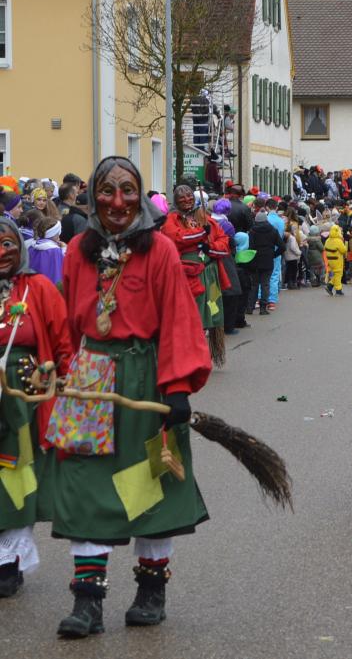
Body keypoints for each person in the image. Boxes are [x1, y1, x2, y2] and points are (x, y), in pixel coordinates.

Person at [52, 156, 210, 637]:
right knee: (85, 484)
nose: (116, 201)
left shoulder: (159, 250)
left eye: (127, 191)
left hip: (145, 376)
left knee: (149, 485)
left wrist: (178, 387)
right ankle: (87, 602)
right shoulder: (78, 249)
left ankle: (150, 592)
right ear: (91, 196)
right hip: (90, 378)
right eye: (106, 190)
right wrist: (60, 371)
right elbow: (63, 317)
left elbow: (180, 318)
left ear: (140, 196)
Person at [0, 216, 73, 599]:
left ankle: (7, 561)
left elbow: (62, 342)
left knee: (16, 474)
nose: (1, 253)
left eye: (8, 244)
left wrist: (65, 382)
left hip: (24, 403)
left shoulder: (38, 289)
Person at [161, 186, 231, 365]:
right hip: (188, 275)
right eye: (182, 198)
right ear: (176, 201)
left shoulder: (205, 218)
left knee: (212, 312)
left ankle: (206, 352)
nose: (186, 200)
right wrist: (200, 234)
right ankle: (189, 354)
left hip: (210, 274)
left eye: (189, 197)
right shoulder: (171, 219)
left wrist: (211, 248)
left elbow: (224, 242)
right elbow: (176, 238)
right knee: (192, 316)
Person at [246, 209, 281, 316]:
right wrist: (273, 254)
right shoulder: (273, 231)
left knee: (254, 284)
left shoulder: (252, 231)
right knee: (265, 284)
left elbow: (250, 247)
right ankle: (263, 308)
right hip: (267, 261)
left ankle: (250, 307)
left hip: (255, 260)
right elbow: (282, 246)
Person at [28, 216, 65, 285]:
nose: (59, 236)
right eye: (58, 233)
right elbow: (58, 275)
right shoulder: (55, 251)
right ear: (54, 233)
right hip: (49, 289)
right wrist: (64, 249)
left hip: (33, 287)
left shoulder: (32, 247)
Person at [323, 224, 346, 297]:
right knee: (338, 274)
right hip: (337, 260)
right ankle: (338, 291)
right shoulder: (338, 241)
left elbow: (325, 248)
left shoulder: (327, 240)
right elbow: (343, 250)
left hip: (330, 260)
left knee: (336, 274)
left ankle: (329, 286)